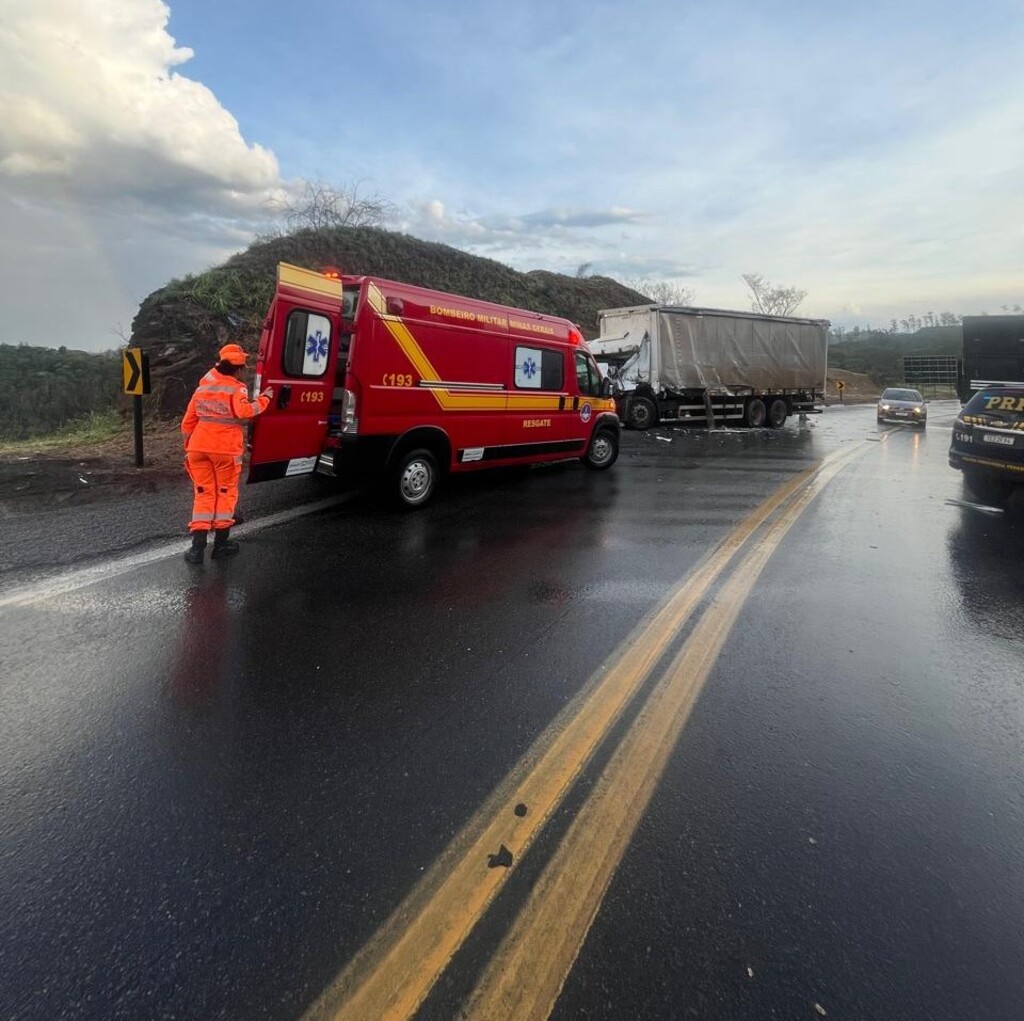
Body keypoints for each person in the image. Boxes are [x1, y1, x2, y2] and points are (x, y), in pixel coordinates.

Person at [181, 343, 273, 564]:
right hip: (224, 450)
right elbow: (244, 412)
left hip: (198, 447)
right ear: (238, 369)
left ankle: (196, 549)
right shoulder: (236, 388)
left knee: (203, 494)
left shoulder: (202, 388)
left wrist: (189, 448)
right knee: (225, 493)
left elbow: (187, 423)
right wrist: (265, 399)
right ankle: (221, 545)